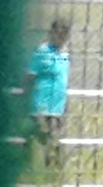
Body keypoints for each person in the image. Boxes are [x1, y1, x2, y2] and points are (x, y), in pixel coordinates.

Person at [25, 20, 73, 170]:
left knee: (55, 141)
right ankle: (31, 168)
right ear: (51, 34)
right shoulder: (43, 52)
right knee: (41, 138)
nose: (61, 38)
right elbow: (29, 75)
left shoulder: (64, 54)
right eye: (58, 34)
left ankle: (52, 171)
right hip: (42, 105)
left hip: (57, 106)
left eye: (64, 35)